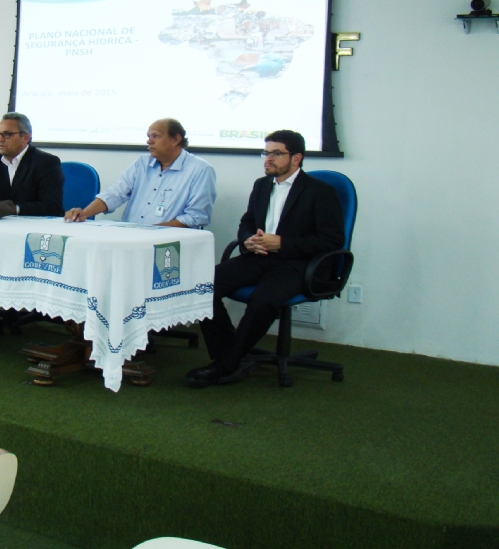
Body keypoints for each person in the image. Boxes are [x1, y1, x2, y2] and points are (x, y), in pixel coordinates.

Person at [186, 130, 344, 388]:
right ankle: (233, 357)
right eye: (266, 152)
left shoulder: (320, 192)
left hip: (297, 264)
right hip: (258, 257)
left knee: (263, 301)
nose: (268, 159)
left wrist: (283, 243)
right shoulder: (262, 185)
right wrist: (247, 240)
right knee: (202, 286)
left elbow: (332, 240)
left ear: (296, 158)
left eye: (276, 153)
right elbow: (247, 222)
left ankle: (226, 365)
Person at [64, 118, 216, 227]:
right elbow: (116, 193)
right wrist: (84, 213)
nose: (149, 141)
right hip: (131, 237)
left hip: (169, 241)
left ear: (175, 139)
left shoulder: (200, 170)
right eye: (148, 137)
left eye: (156, 136)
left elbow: (196, 217)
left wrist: (153, 232)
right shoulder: (142, 163)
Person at [0, 113, 64, 217]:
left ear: (25, 137)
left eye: (7, 134)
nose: (0, 139)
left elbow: (53, 207)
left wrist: (13, 209)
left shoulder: (47, 163)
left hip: (32, 226)